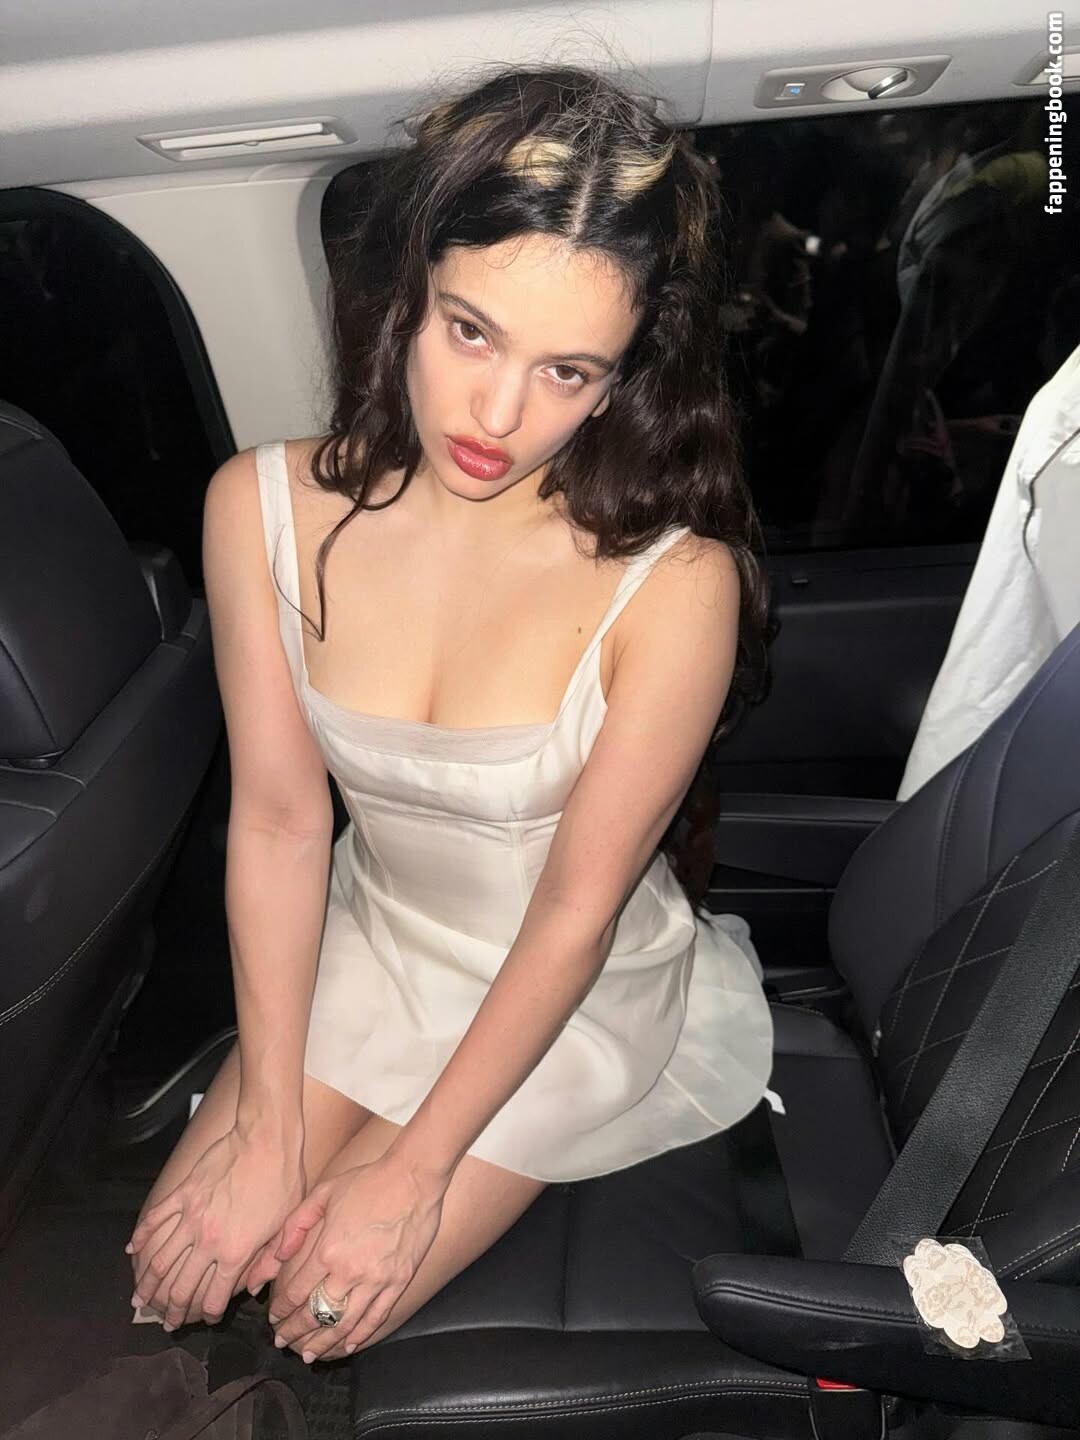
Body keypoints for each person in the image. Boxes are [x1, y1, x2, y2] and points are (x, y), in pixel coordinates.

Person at [125, 65, 776, 1367]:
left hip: (566, 987)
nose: (499, 414)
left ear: (621, 379)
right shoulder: (258, 510)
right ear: (410, 292)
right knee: (179, 1275)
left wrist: (413, 1173)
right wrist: (267, 1126)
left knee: (309, 1305)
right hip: (376, 934)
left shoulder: (676, 587)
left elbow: (575, 913)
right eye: (472, 332)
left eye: (567, 370)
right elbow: (280, 823)